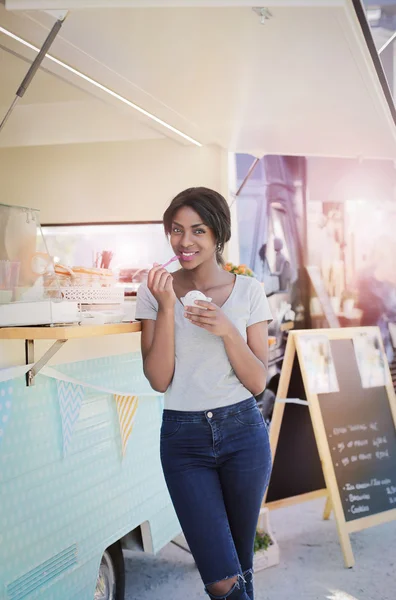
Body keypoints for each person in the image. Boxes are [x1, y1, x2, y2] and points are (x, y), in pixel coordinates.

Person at [135, 187, 272, 600]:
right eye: (176, 230)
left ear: (217, 235)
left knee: (239, 566)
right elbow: (159, 379)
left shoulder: (249, 292)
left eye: (197, 230)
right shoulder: (154, 291)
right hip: (184, 440)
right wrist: (166, 307)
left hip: (243, 433)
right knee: (220, 578)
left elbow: (257, 381)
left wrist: (227, 329)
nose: (184, 241)